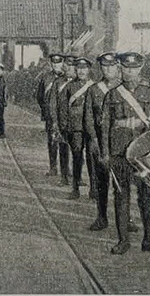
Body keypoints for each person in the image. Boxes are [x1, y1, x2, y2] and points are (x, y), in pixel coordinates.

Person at [99, 51, 150, 255]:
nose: (130, 72)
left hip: (143, 153)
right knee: (121, 196)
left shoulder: (149, 92)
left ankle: (149, 240)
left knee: (146, 195)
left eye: (134, 68)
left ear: (140, 69)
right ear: (120, 69)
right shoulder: (112, 94)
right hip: (119, 152)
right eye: (126, 68)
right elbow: (105, 126)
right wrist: (105, 153)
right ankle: (123, 241)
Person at [87, 52, 121, 230]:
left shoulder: (124, 90)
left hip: (120, 143)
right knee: (102, 182)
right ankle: (101, 217)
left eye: (111, 66)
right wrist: (93, 139)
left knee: (122, 184)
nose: (108, 70)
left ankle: (126, 219)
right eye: (104, 66)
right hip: (100, 141)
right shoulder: (94, 90)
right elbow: (89, 118)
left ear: (118, 67)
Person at [61, 57, 96, 198]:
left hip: (91, 127)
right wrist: (64, 126)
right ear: (75, 69)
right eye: (79, 68)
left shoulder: (94, 86)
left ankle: (94, 190)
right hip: (75, 128)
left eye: (84, 68)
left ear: (89, 70)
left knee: (92, 158)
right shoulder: (69, 87)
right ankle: (75, 189)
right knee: (77, 157)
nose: (81, 71)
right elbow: (63, 107)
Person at [36, 54, 65, 176]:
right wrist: (45, 110)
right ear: (51, 64)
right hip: (50, 115)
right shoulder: (46, 78)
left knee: (65, 142)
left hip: (64, 116)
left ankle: (65, 170)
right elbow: (39, 96)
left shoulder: (67, 78)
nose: (56, 65)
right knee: (52, 141)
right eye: (54, 63)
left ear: (62, 63)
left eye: (58, 63)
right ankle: (53, 167)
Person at [53, 56, 77, 186]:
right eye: (66, 65)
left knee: (77, 151)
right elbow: (53, 103)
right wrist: (54, 122)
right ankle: (64, 177)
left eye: (71, 65)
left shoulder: (81, 84)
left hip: (78, 124)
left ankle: (76, 178)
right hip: (62, 122)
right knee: (63, 149)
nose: (67, 67)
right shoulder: (58, 82)